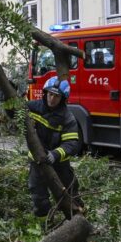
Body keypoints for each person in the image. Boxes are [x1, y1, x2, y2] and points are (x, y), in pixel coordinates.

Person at [27, 76, 82, 218]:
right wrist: (8, 99)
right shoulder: (33, 107)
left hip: (60, 164)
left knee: (70, 192)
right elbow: (15, 113)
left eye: (56, 96)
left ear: (63, 99)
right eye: (50, 94)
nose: (52, 99)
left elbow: (72, 144)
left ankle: (78, 220)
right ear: (45, 93)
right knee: (38, 196)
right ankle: (45, 222)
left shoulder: (67, 118)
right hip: (37, 161)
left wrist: (55, 155)